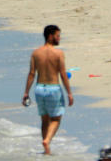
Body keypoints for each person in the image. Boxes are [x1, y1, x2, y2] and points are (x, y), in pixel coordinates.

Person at [22, 24, 73, 155]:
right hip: (53, 88)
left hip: (39, 89)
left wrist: (26, 92)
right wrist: (69, 93)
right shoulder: (58, 53)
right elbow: (62, 74)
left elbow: (32, 74)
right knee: (56, 119)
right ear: (50, 36)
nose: (59, 38)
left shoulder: (35, 53)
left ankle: (47, 150)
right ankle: (47, 140)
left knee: (44, 120)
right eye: (57, 36)